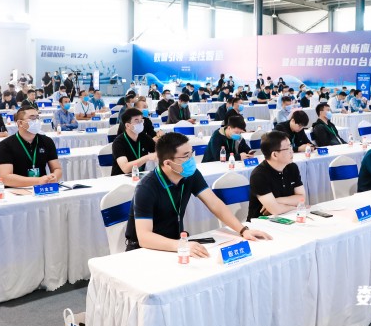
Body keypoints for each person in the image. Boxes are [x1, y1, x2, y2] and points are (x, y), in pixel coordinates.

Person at [124, 132, 271, 254]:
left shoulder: (190, 174)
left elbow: (215, 203)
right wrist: (180, 245)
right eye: (186, 156)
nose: (191, 160)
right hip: (144, 250)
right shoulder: (146, 187)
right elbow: (144, 237)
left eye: (191, 154)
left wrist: (243, 230)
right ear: (168, 163)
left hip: (176, 244)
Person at [246, 131, 306, 221]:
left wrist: (277, 201)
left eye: (291, 146)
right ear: (274, 155)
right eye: (287, 148)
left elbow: (302, 198)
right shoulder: (258, 175)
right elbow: (275, 210)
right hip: (261, 222)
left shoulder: (292, 167)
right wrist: (294, 207)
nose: (292, 151)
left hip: (288, 218)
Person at [0, 107, 61, 187]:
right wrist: (38, 181)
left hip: (41, 188)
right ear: (20, 123)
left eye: (37, 118)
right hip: (16, 190)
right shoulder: (5, 145)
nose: (36, 121)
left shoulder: (47, 141)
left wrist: (55, 176)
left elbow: (57, 168)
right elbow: (5, 178)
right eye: (32, 118)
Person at [111, 108, 157, 175]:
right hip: (121, 177)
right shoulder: (118, 142)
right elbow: (125, 168)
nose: (140, 123)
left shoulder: (143, 137)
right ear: (128, 125)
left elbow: (158, 150)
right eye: (136, 120)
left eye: (141, 120)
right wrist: (147, 158)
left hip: (139, 176)